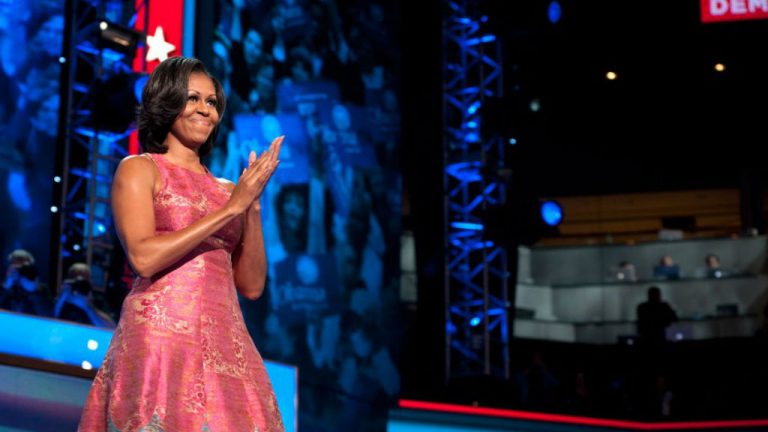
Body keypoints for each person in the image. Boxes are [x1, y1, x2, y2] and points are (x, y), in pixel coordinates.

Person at [78, 57, 285, 431]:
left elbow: (252, 286)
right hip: (161, 339)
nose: (206, 110)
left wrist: (251, 206)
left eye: (212, 102)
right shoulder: (140, 168)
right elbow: (143, 257)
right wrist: (231, 209)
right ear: (166, 101)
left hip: (226, 340)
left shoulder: (229, 191)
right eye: (193, 98)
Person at [53, 263, 116, 328]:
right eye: (77, 280)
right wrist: (62, 298)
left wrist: (87, 307)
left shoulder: (99, 300)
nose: (80, 284)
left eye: (84, 281)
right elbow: (51, 322)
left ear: (90, 282)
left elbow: (111, 328)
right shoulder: (62, 299)